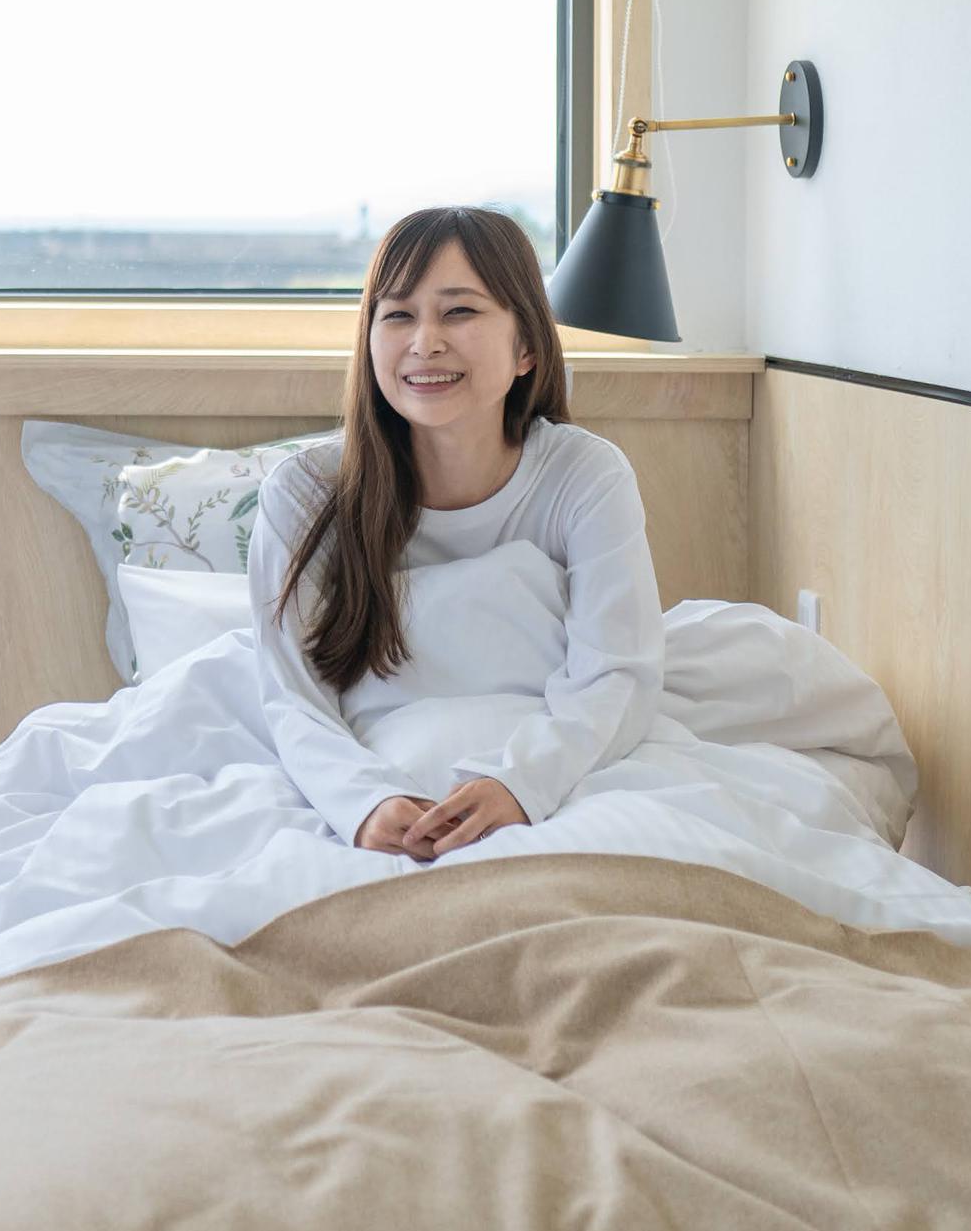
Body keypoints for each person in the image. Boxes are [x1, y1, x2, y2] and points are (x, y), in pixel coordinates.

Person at [248, 203, 662, 861]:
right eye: (397, 315)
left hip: (542, 765)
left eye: (459, 311)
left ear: (526, 347)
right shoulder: (303, 493)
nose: (425, 341)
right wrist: (363, 802)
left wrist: (520, 784)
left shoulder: (585, 476)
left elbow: (617, 675)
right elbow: (292, 698)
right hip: (374, 775)